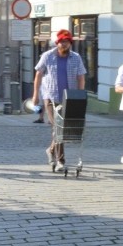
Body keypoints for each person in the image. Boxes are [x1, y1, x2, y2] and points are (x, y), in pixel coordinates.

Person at [31, 29, 86, 171]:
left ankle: (50, 150)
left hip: (69, 98)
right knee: (58, 127)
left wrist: (80, 95)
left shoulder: (76, 57)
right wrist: (35, 95)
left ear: (70, 43)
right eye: (62, 42)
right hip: (51, 97)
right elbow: (38, 75)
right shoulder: (47, 56)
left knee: (64, 129)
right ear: (57, 42)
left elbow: (81, 76)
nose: (64, 45)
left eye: (67, 42)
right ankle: (61, 161)